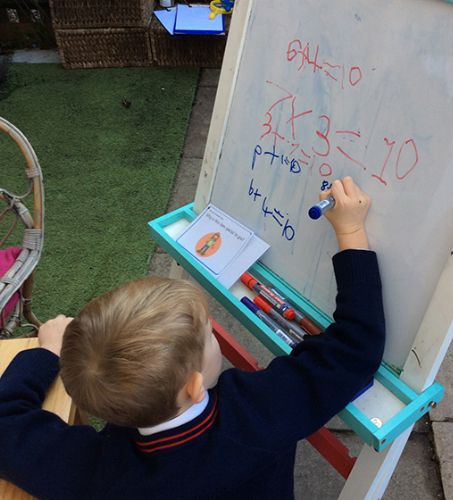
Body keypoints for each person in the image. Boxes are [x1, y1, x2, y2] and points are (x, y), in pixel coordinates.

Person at [0, 176, 385, 499]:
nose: (213, 332)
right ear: (194, 386)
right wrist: (351, 231)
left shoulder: (95, 473)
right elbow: (355, 349)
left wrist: (46, 354)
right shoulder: (257, 413)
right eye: (209, 335)